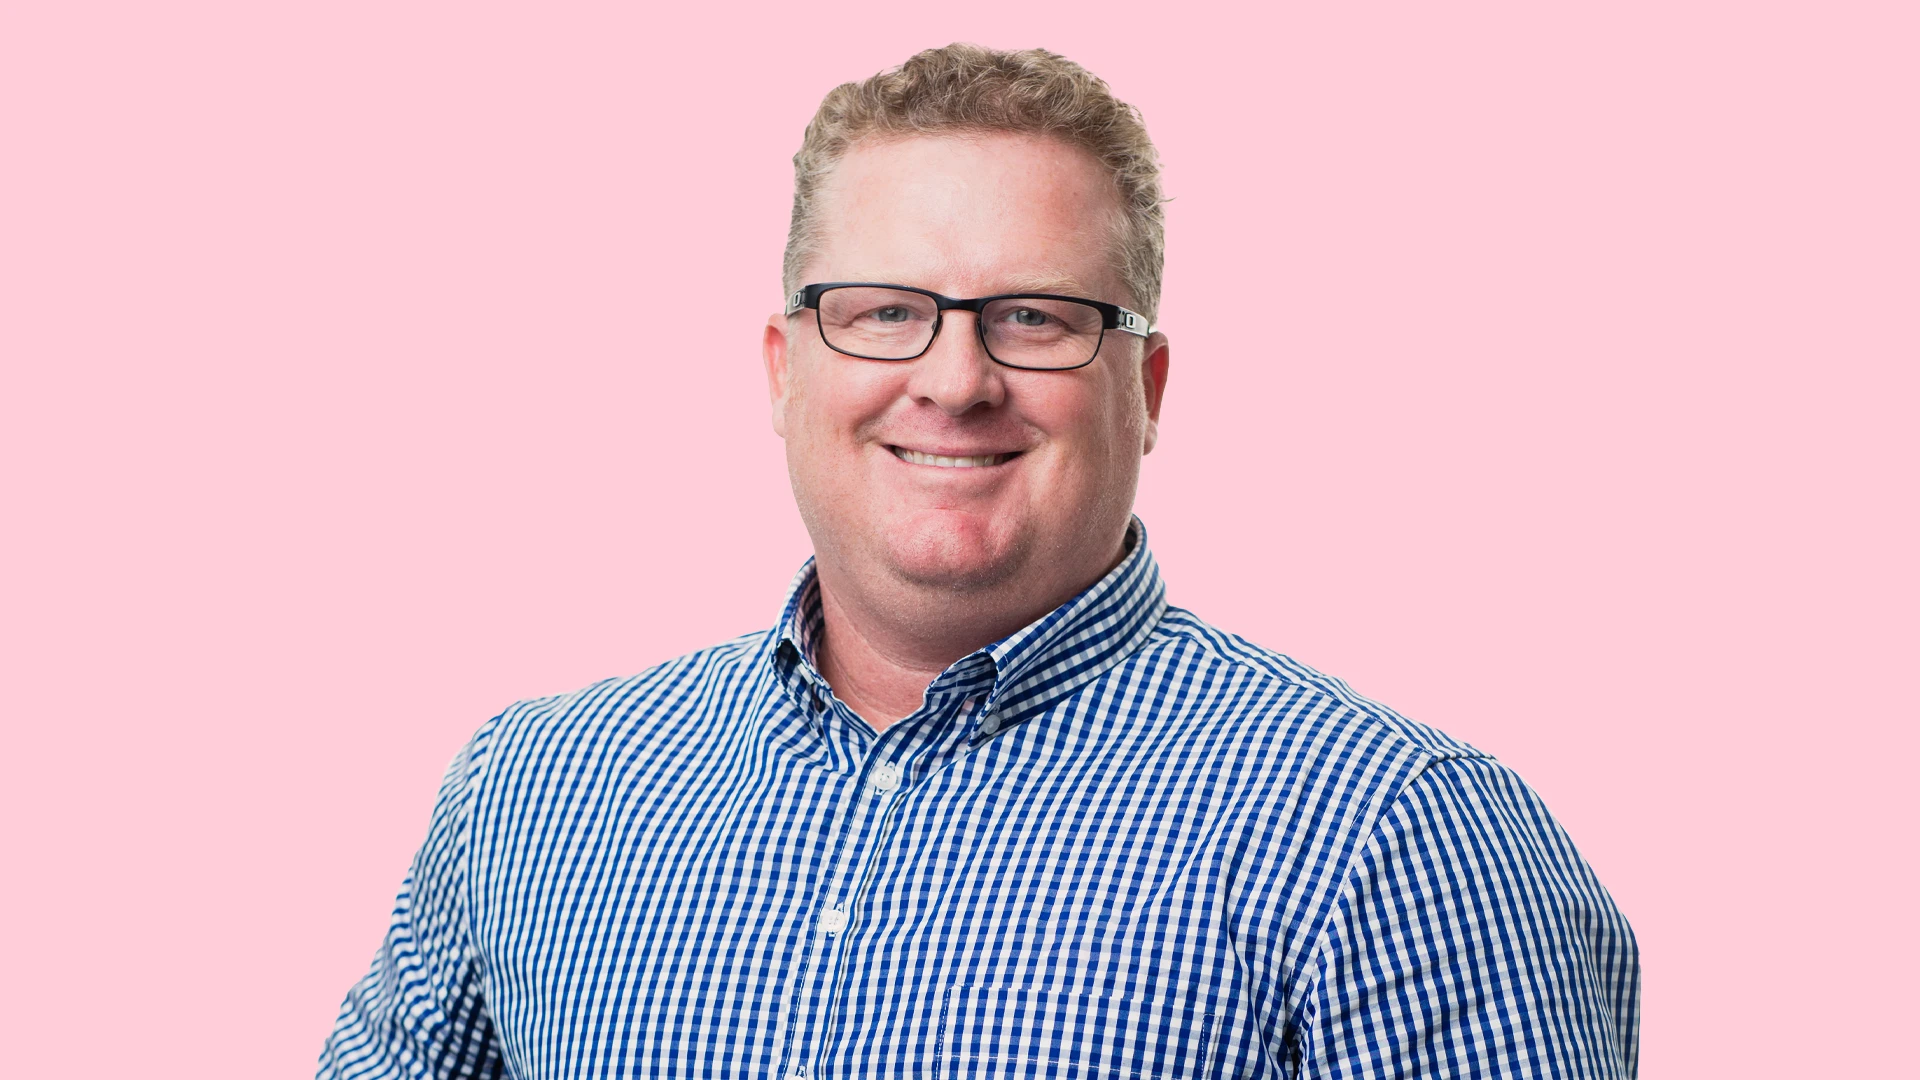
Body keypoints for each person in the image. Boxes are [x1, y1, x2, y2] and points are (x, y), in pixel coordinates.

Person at [320, 43, 1639, 1080]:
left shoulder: (1400, 843)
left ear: (1147, 388)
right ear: (784, 370)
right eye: (886, 311)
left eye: (1036, 318)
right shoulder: (532, 793)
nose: (956, 381)